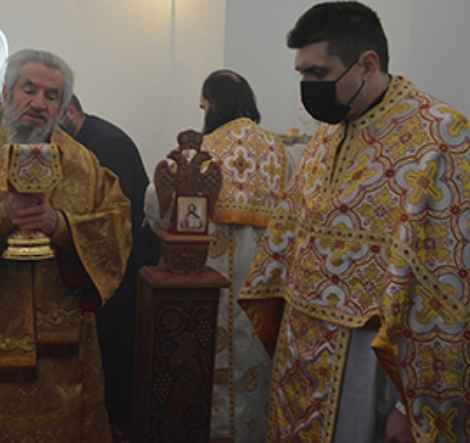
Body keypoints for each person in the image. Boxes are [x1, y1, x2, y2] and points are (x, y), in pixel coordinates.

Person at [239, 3, 470, 442]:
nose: (307, 86)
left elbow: (451, 284)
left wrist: (409, 404)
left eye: (318, 74)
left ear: (367, 64)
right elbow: (290, 234)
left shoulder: (442, 137)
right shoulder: (328, 133)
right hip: (301, 354)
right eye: (301, 74)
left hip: (371, 361)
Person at [0, 49, 131, 442]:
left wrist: (61, 225)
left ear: (63, 105)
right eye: (29, 90)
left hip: (64, 352)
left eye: (52, 96)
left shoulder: (83, 163)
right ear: (6, 91)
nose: (39, 103)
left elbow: (117, 227)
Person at [145, 69, 287, 442]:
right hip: (261, 284)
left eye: (203, 106)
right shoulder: (280, 150)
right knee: (252, 368)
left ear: (213, 106)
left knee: (205, 365)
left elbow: (156, 205)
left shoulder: (201, 152)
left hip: (204, 279)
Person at [59, 94, 158, 427]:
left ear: (70, 112)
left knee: (112, 346)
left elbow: (117, 216)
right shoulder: (85, 139)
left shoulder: (107, 144)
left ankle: (113, 422)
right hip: (98, 260)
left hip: (122, 263)